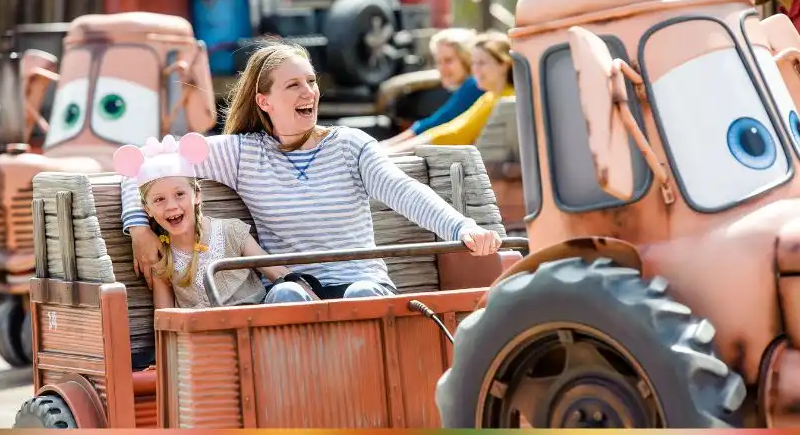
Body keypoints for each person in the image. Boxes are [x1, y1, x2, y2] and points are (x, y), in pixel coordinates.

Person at [121, 40, 502, 304]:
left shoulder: (351, 144)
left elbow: (402, 189)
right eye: (294, 85)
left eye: (311, 81)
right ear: (264, 101)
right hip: (298, 287)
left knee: (361, 297)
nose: (309, 92)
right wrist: (139, 227)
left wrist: (461, 228)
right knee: (286, 296)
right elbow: (144, 161)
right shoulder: (242, 153)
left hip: (364, 284)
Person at [113, 133, 305, 308]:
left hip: (256, 328)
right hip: (209, 339)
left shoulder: (232, 231)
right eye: (159, 199)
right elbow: (164, 318)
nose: (171, 206)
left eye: (179, 194)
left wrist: (319, 304)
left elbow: (279, 274)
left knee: (286, 291)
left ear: (197, 195)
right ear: (147, 210)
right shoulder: (163, 257)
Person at [384, 31, 515, 155]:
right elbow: (450, 127)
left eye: (448, 60)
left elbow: (454, 132)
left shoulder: (480, 89)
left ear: (504, 64)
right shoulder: (489, 96)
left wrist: (387, 151)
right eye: (474, 63)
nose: (441, 68)